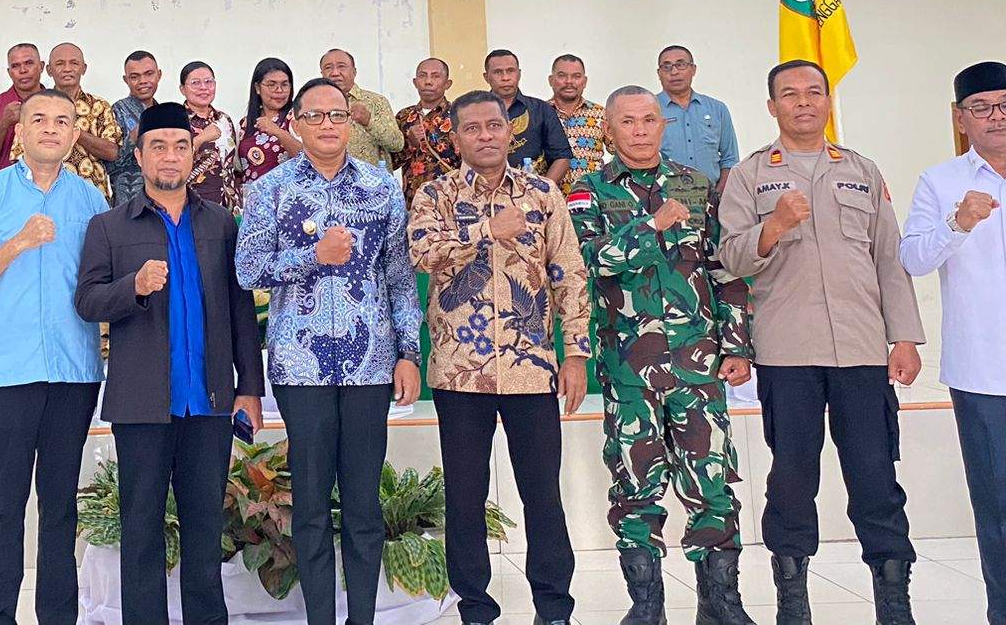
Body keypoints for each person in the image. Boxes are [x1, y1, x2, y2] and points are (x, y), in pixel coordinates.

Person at [718, 60, 925, 624]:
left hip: (861, 350)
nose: (803, 102)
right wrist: (775, 225)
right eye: (790, 94)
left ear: (828, 101)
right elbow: (730, 258)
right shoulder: (749, 175)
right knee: (791, 479)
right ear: (772, 107)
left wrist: (903, 337)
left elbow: (888, 258)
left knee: (876, 477)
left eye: (814, 92)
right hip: (787, 353)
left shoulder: (862, 169)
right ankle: (793, 603)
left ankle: (893, 602)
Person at [236, 77, 422, 625]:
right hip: (301, 365)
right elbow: (248, 269)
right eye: (314, 115)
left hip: (370, 364)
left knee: (364, 504)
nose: (326, 124)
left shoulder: (381, 187)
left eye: (336, 114)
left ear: (349, 120)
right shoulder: (269, 190)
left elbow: (398, 277)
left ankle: (361, 617)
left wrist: (408, 351)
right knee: (312, 505)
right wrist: (312, 255)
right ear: (295, 120)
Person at [568, 86, 755, 625]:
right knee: (635, 485)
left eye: (650, 119)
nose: (642, 130)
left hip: (698, 362)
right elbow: (589, 263)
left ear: (663, 124)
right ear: (609, 128)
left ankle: (720, 602)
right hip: (630, 366)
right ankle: (646, 606)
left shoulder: (696, 186)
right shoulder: (589, 191)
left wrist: (736, 344)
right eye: (628, 121)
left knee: (712, 476)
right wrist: (652, 226)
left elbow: (725, 270)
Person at [74, 102, 265, 625]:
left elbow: (241, 310)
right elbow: (87, 302)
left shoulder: (223, 224)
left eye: (180, 146)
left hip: (207, 402)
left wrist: (249, 386)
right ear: (139, 156)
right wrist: (130, 289)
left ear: (192, 154)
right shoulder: (108, 227)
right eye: (158, 146)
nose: (170, 156)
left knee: (205, 528)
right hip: (143, 404)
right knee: (141, 529)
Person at [408, 90, 589, 625]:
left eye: (494, 126)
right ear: (457, 136)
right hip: (460, 372)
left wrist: (575, 353)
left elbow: (568, 273)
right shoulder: (434, 195)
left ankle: (554, 606)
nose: (485, 136)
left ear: (510, 130)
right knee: (465, 498)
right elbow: (421, 252)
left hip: (532, 371)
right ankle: (475, 607)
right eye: (473, 128)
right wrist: (486, 230)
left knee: (543, 496)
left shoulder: (543, 194)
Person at [0, 89, 105, 625]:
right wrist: (16, 243)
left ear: (72, 132)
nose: (50, 129)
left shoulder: (90, 199)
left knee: (60, 505)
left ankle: (58, 616)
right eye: (39, 119)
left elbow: (103, 282)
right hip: (9, 375)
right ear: (19, 130)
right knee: (5, 504)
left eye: (62, 121)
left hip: (73, 372)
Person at [902, 60, 1006, 625]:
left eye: (1005, 104)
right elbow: (912, 258)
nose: (997, 116)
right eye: (983, 107)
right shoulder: (941, 181)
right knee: (999, 511)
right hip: (986, 373)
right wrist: (958, 223)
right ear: (961, 119)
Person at [9, 43, 121, 201]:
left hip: (92, 199)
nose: (67, 69)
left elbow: (112, 152)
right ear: (48, 70)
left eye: (74, 63)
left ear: (84, 68)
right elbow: (19, 156)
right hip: (43, 199)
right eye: (60, 63)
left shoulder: (99, 105)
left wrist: (73, 131)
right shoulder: (34, 106)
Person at [655, 46, 740, 195]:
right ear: (659, 73)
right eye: (667, 66)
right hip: (662, 199)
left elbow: (730, 159)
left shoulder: (717, 109)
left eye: (680, 64)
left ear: (693, 69)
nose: (674, 72)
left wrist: (718, 196)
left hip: (711, 200)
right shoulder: (649, 110)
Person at [482, 49, 571, 185]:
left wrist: (543, 190)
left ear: (519, 74)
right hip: (485, 194)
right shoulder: (475, 113)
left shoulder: (541, 110)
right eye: (498, 72)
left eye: (510, 70)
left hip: (533, 194)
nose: (505, 77)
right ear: (486, 77)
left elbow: (562, 157)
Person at [319, 48, 403, 167]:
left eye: (341, 66)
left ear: (354, 72)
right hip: (329, 181)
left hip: (371, 183)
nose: (335, 73)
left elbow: (397, 144)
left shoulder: (376, 101)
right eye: (328, 68)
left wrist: (369, 122)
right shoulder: (315, 105)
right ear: (322, 74)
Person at [0, 42, 48, 174]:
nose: (23, 70)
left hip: (51, 185)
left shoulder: (57, 103)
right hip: (5, 188)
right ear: (9, 72)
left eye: (29, 63)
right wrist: (2, 124)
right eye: (15, 66)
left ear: (41, 66)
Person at [392, 56, 458, 203]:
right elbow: (392, 163)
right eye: (423, 76)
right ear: (415, 82)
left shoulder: (459, 114)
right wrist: (409, 143)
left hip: (449, 200)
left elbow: (471, 160)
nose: (428, 81)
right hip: (413, 200)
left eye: (435, 76)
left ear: (448, 84)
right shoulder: (404, 116)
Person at [180, 61, 241, 214]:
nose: (203, 88)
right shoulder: (176, 120)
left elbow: (232, 164)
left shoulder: (224, 120)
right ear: (182, 89)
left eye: (209, 82)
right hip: (195, 204)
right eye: (195, 83)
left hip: (231, 205)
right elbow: (175, 161)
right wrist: (200, 139)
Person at [238, 56, 302, 185]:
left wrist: (277, 132)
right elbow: (237, 169)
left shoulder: (297, 118)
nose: (279, 90)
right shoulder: (244, 124)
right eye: (272, 84)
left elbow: (308, 159)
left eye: (284, 84)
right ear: (257, 88)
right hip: (252, 199)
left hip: (287, 198)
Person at [547, 53, 607, 191]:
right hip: (550, 199)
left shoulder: (601, 114)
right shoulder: (539, 113)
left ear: (584, 82)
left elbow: (620, 150)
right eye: (562, 75)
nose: (569, 81)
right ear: (551, 80)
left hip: (593, 197)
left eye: (576, 76)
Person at [110, 50, 162, 203]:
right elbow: (110, 164)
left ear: (159, 74)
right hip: (128, 201)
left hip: (161, 199)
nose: (143, 81)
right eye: (135, 77)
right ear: (126, 80)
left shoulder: (163, 112)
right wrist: (133, 137)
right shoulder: (116, 111)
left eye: (149, 74)